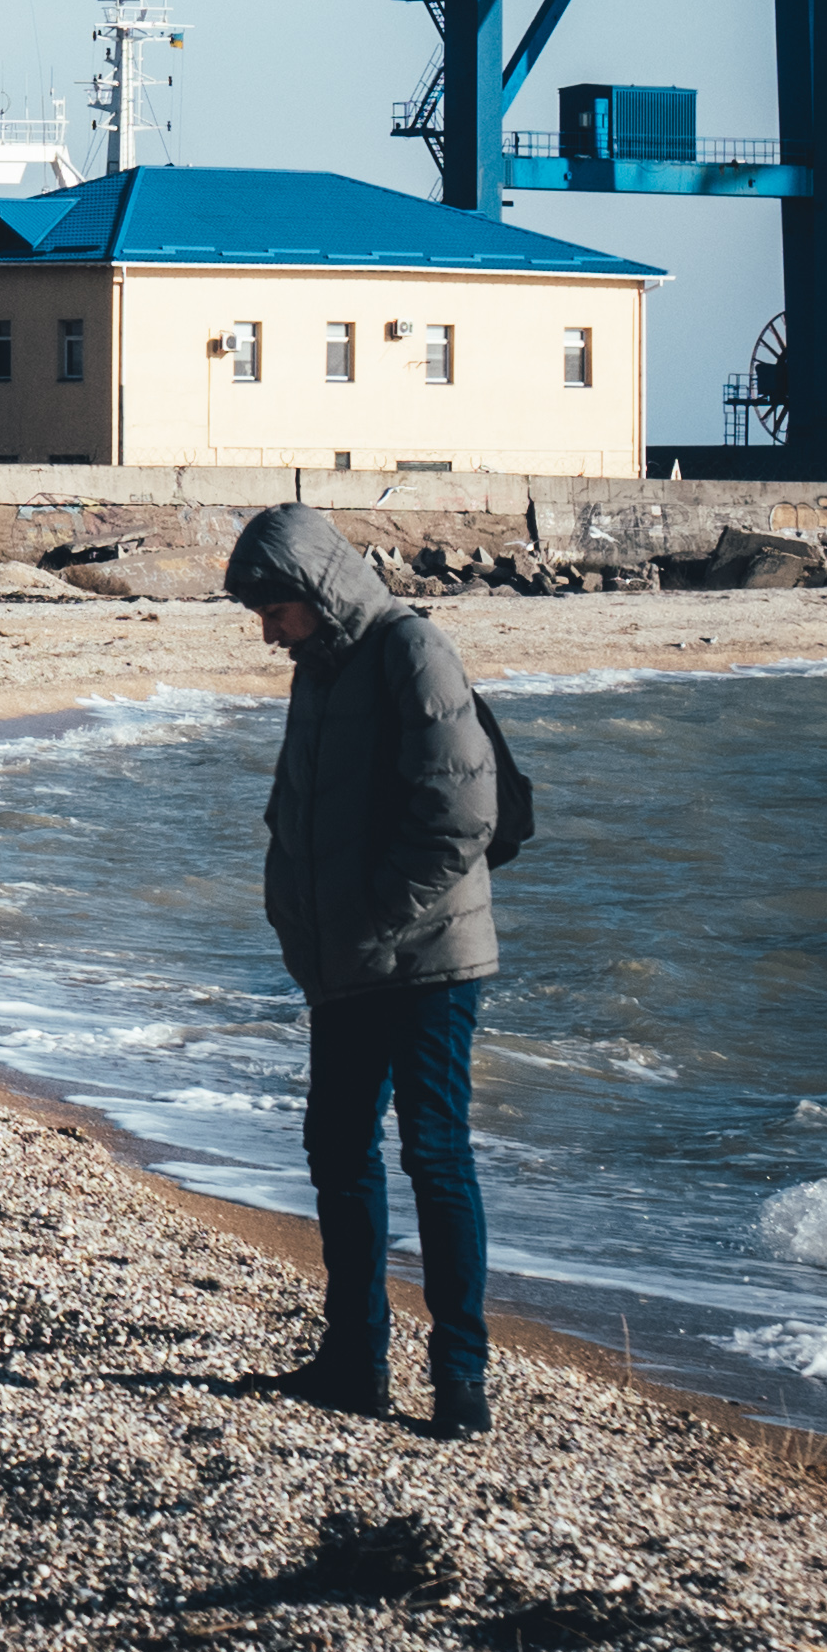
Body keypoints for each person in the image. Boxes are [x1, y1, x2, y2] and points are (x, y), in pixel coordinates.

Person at [231, 502, 501, 1438]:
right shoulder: (318, 669)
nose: (268, 632)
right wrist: (303, 927)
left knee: (434, 1156)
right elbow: (294, 810)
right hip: (348, 963)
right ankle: (354, 1363)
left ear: (315, 589)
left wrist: (377, 915)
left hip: (429, 961)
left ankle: (460, 1384)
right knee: (338, 1154)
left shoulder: (410, 649)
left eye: (275, 611)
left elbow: (464, 816)